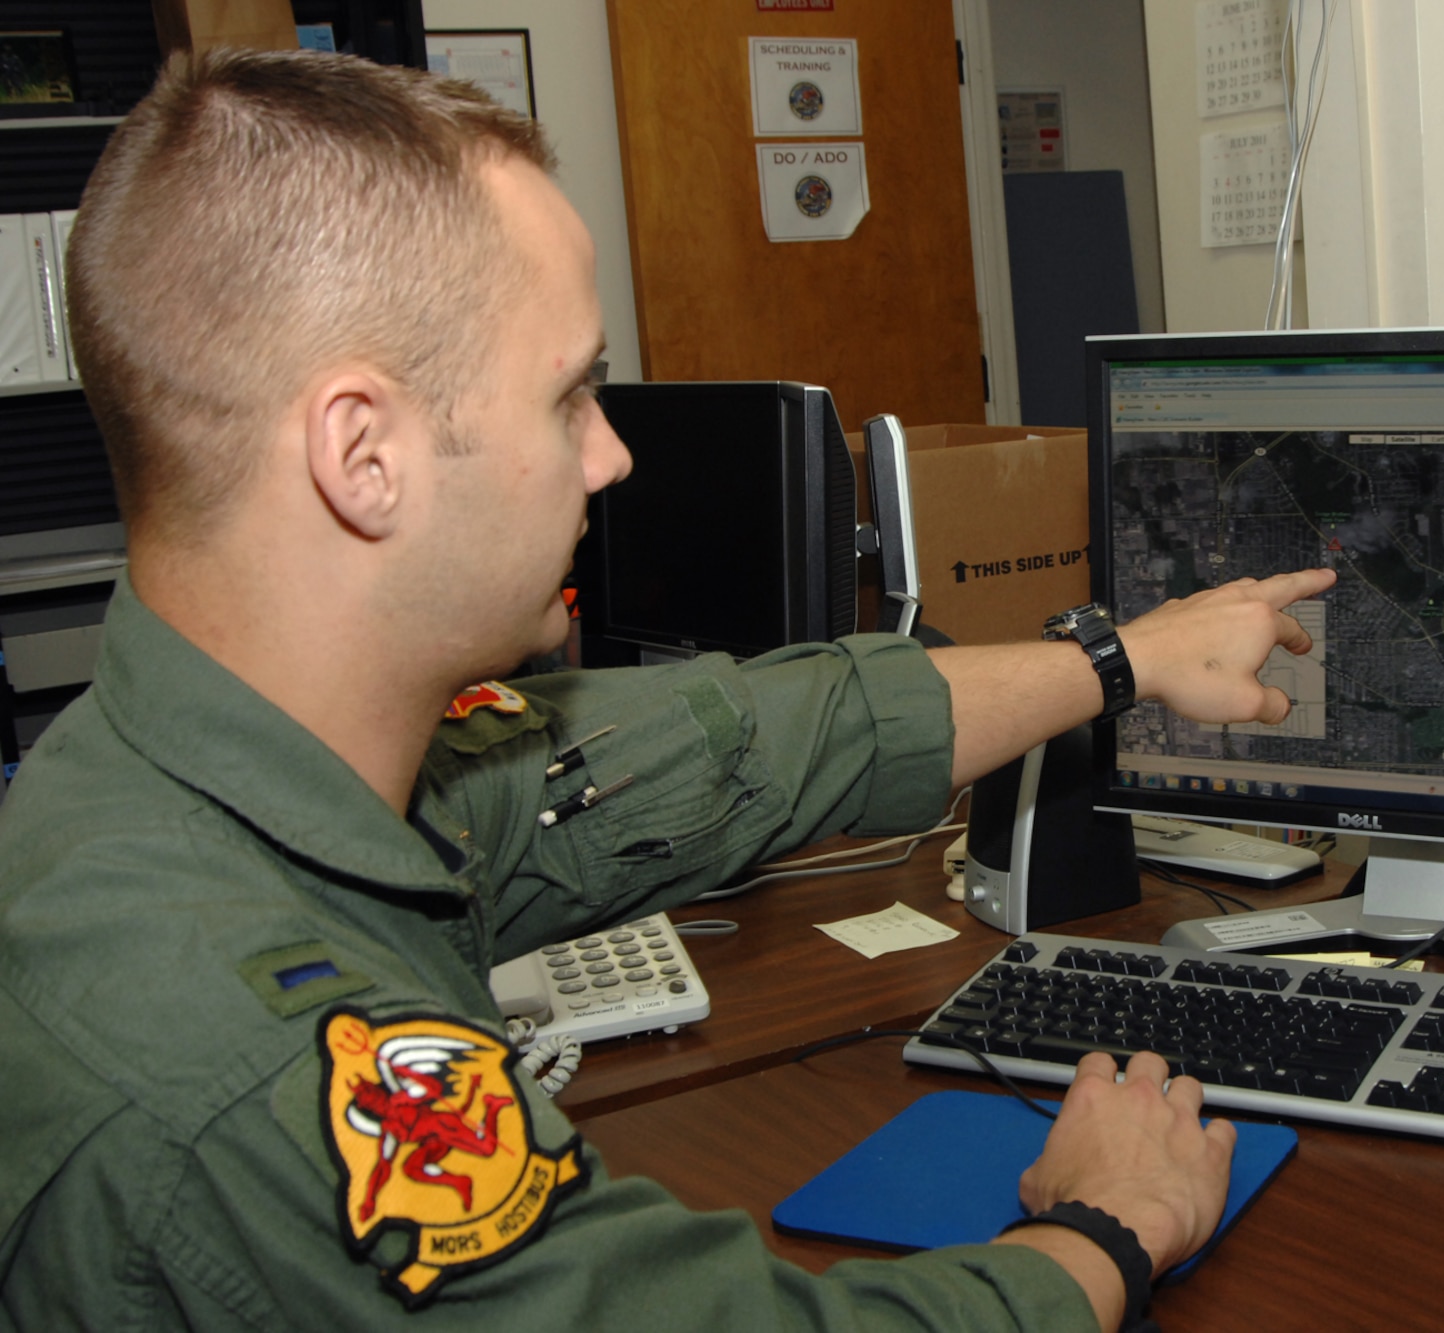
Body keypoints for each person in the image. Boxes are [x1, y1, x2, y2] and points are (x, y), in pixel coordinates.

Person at [0, 48, 1337, 1332]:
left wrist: (1120, 659)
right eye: (570, 394)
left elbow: (725, 744)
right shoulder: (252, 1070)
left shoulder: (161, 766)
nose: (612, 455)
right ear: (364, 454)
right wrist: (1110, 1222)